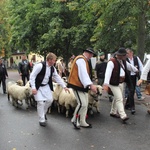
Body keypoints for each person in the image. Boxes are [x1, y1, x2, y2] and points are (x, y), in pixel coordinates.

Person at [29, 52, 69, 127]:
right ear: (49, 60)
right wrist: (33, 88)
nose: (55, 62)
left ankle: (43, 114)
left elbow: (57, 77)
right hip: (38, 86)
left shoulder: (52, 68)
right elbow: (32, 76)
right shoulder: (40, 66)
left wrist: (64, 86)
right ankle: (41, 119)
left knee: (50, 100)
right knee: (40, 102)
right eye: (54, 60)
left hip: (46, 86)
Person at [103, 48, 138, 123]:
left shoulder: (124, 62)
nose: (126, 56)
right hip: (113, 83)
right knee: (119, 98)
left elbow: (130, 67)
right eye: (125, 55)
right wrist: (106, 84)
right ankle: (123, 115)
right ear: (120, 55)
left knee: (116, 98)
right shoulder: (111, 62)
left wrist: (136, 70)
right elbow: (107, 74)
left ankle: (113, 112)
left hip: (121, 83)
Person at [68, 47, 98, 129]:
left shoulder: (84, 60)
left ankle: (82, 121)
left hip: (81, 85)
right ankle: (74, 119)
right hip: (77, 84)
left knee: (85, 104)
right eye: (91, 53)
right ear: (86, 52)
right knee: (82, 104)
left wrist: (88, 84)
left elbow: (85, 74)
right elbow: (83, 73)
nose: (91, 55)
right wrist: (91, 85)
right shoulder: (81, 59)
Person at [125, 48, 144, 114]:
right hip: (128, 77)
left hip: (135, 76)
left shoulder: (136, 58)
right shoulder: (125, 60)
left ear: (131, 53)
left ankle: (127, 105)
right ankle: (132, 107)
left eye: (127, 53)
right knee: (131, 90)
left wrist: (142, 76)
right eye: (126, 53)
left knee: (132, 91)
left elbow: (141, 67)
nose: (126, 55)